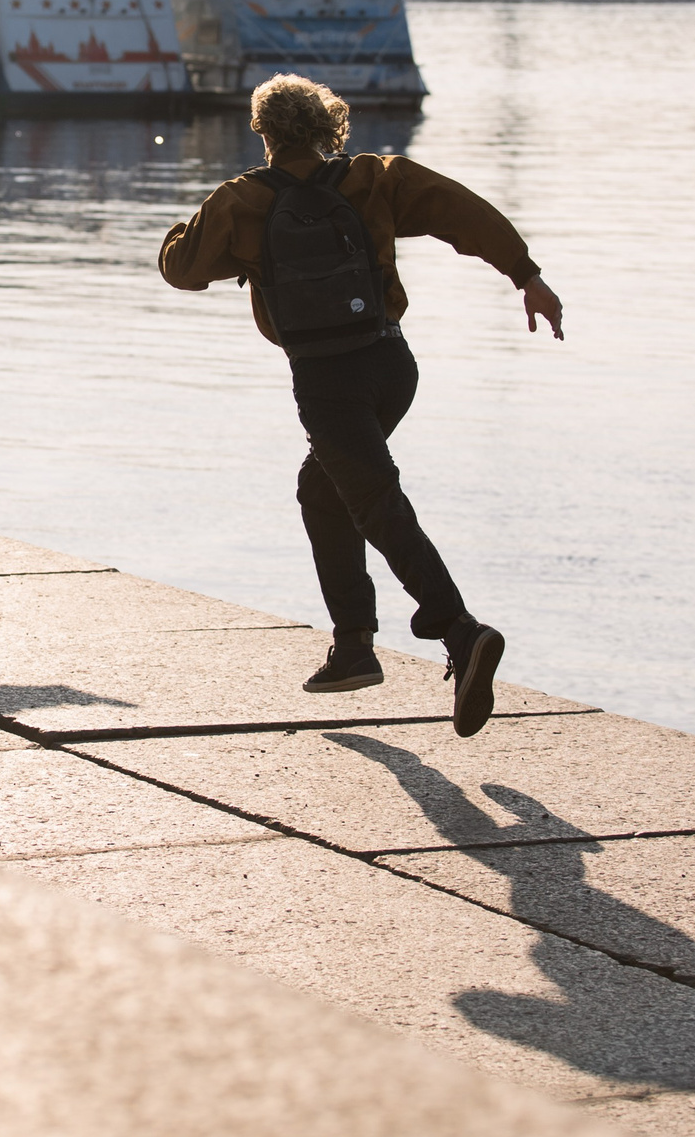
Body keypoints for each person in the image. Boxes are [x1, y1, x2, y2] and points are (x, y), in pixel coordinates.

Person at [158, 76, 563, 735]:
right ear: (325, 126)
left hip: (325, 380)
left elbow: (182, 267)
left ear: (262, 132)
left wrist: (184, 229)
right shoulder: (374, 178)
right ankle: (353, 648)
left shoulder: (244, 200)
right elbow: (464, 212)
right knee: (324, 490)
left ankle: (459, 630)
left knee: (375, 503)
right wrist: (527, 274)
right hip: (390, 364)